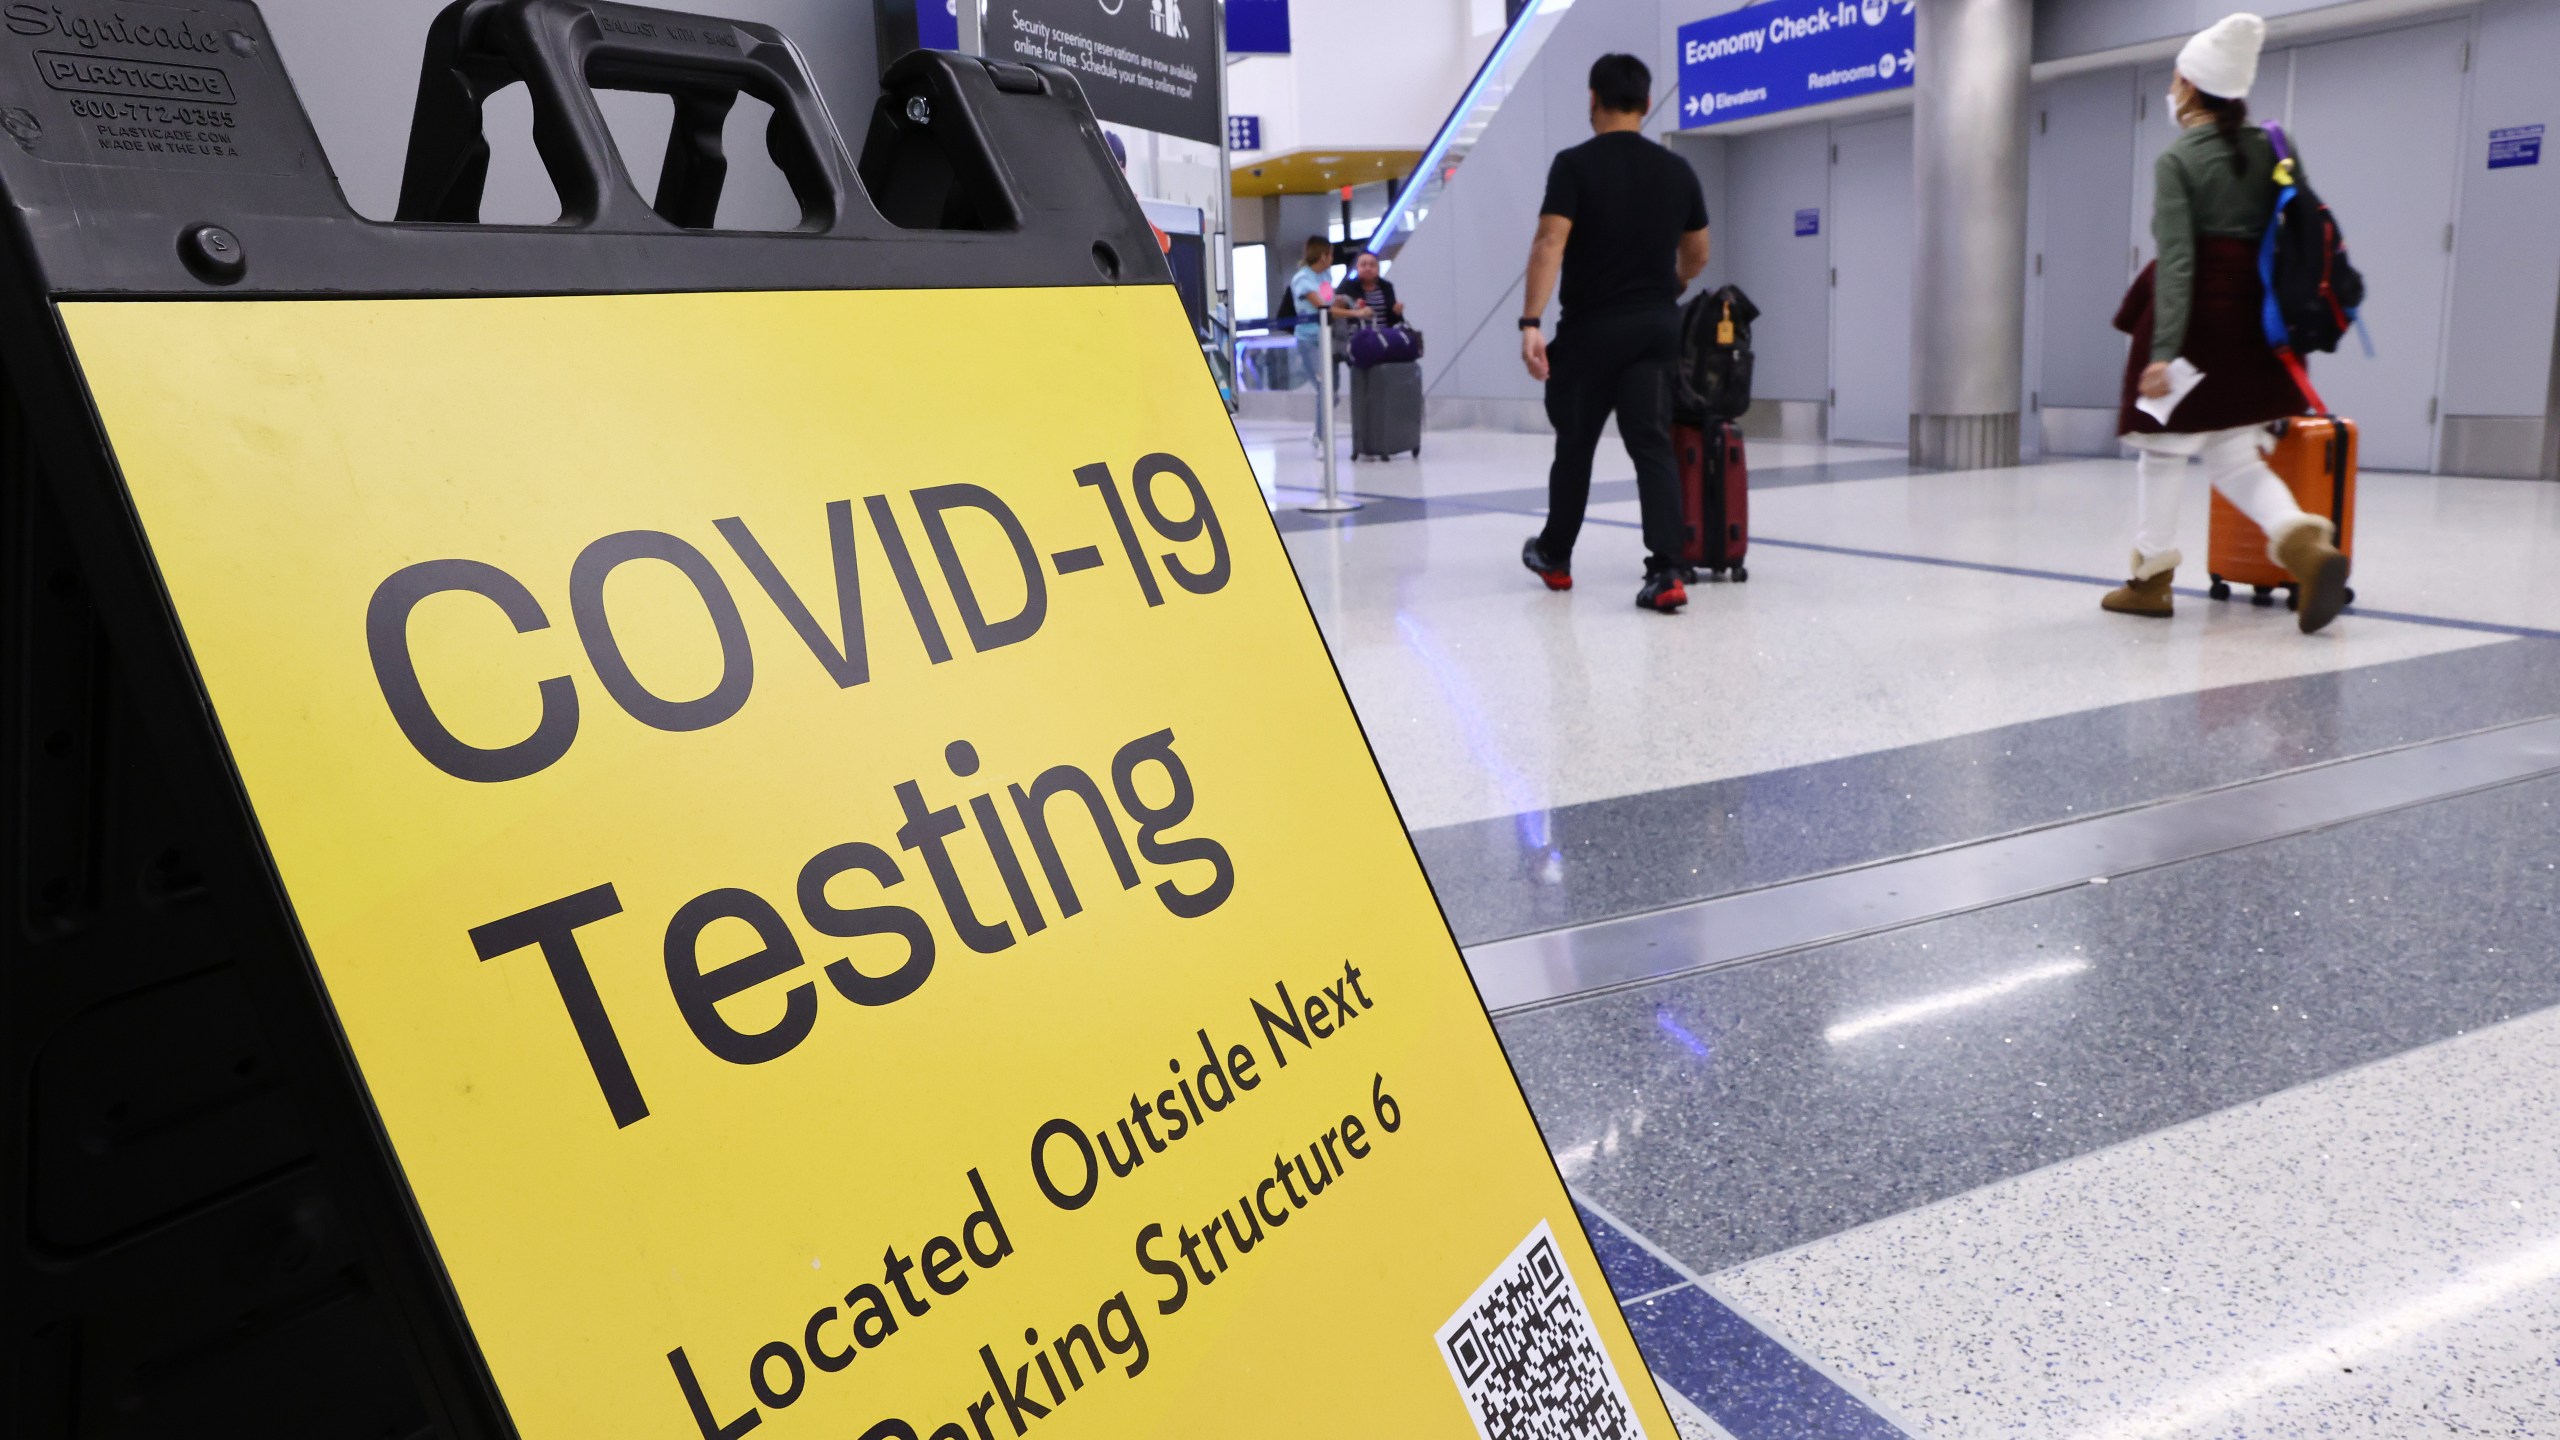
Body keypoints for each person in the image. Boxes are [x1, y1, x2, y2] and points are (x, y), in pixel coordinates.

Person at [2101, 12, 2350, 633]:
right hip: (2257, 325)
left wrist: (2162, 353)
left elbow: (2179, 262)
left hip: (2196, 325)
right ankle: (2305, 547)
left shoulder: (2179, 160)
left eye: (2175, 77)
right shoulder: (2274, 144)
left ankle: (2151, 579)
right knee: (2237, 457)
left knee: (2160, 451)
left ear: (2189, 85)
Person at [1516, 53, 1711, 613]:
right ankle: (1668, 569)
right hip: (1655, 330)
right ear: (1647, 105)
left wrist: (1531, 322)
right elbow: (1697, 255)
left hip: (1591, 332)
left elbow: (1549, 243)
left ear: (1592, 99)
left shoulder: (1574, 165)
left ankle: (1555, 556)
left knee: (1575, 446)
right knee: (1651, 444)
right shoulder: (1678, 171)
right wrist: (1664, 289)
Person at [1288, 236, 1336, 400]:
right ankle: (1322, 426)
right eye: (1330, 255)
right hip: (1308, 339)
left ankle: (1321, 426)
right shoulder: (1302, 278)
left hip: (1325, 336)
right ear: (1323, 256)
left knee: (1329, 389)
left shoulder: (1325, 276)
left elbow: (1329, 300)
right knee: (1323, 387)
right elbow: (1322, 306)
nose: (1332, 259)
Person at [1332, 251, 1403, 327]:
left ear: (1378, 268)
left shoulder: (1386, 286)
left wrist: (1397, 312)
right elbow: (1333, 310)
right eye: (1363, 265)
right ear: (1357, 268)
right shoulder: (1347, 286)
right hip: (1356, 334)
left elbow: (1393, 318)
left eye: (1372, 265)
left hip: (1384, 333)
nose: (1368, 268)